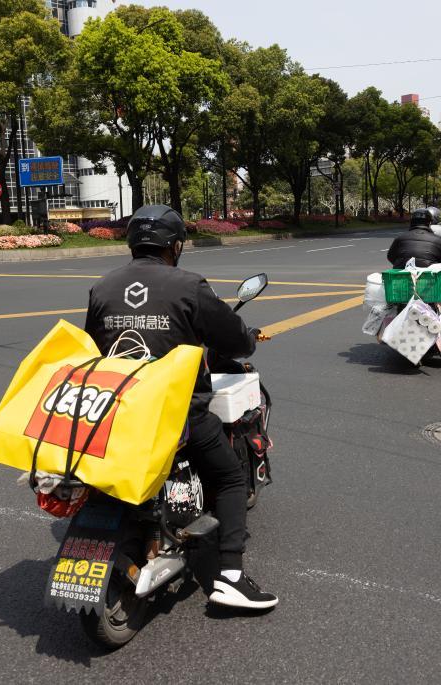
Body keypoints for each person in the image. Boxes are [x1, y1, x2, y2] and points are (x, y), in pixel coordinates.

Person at [84, 204, 278, 611]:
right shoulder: (189, 286)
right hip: (175, 414)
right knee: (229, 476)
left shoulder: (102, 287)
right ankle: (231, 577)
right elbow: (235, 339)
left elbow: (94, 345)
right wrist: (247, 339)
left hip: (115, 409)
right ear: (175, 246)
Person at [387, 208, 441, 317]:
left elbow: (390, 257)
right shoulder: (437, 240)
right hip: (431, 288)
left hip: (403, 287)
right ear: (429, 223)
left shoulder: (399, 239)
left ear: (411, 222)